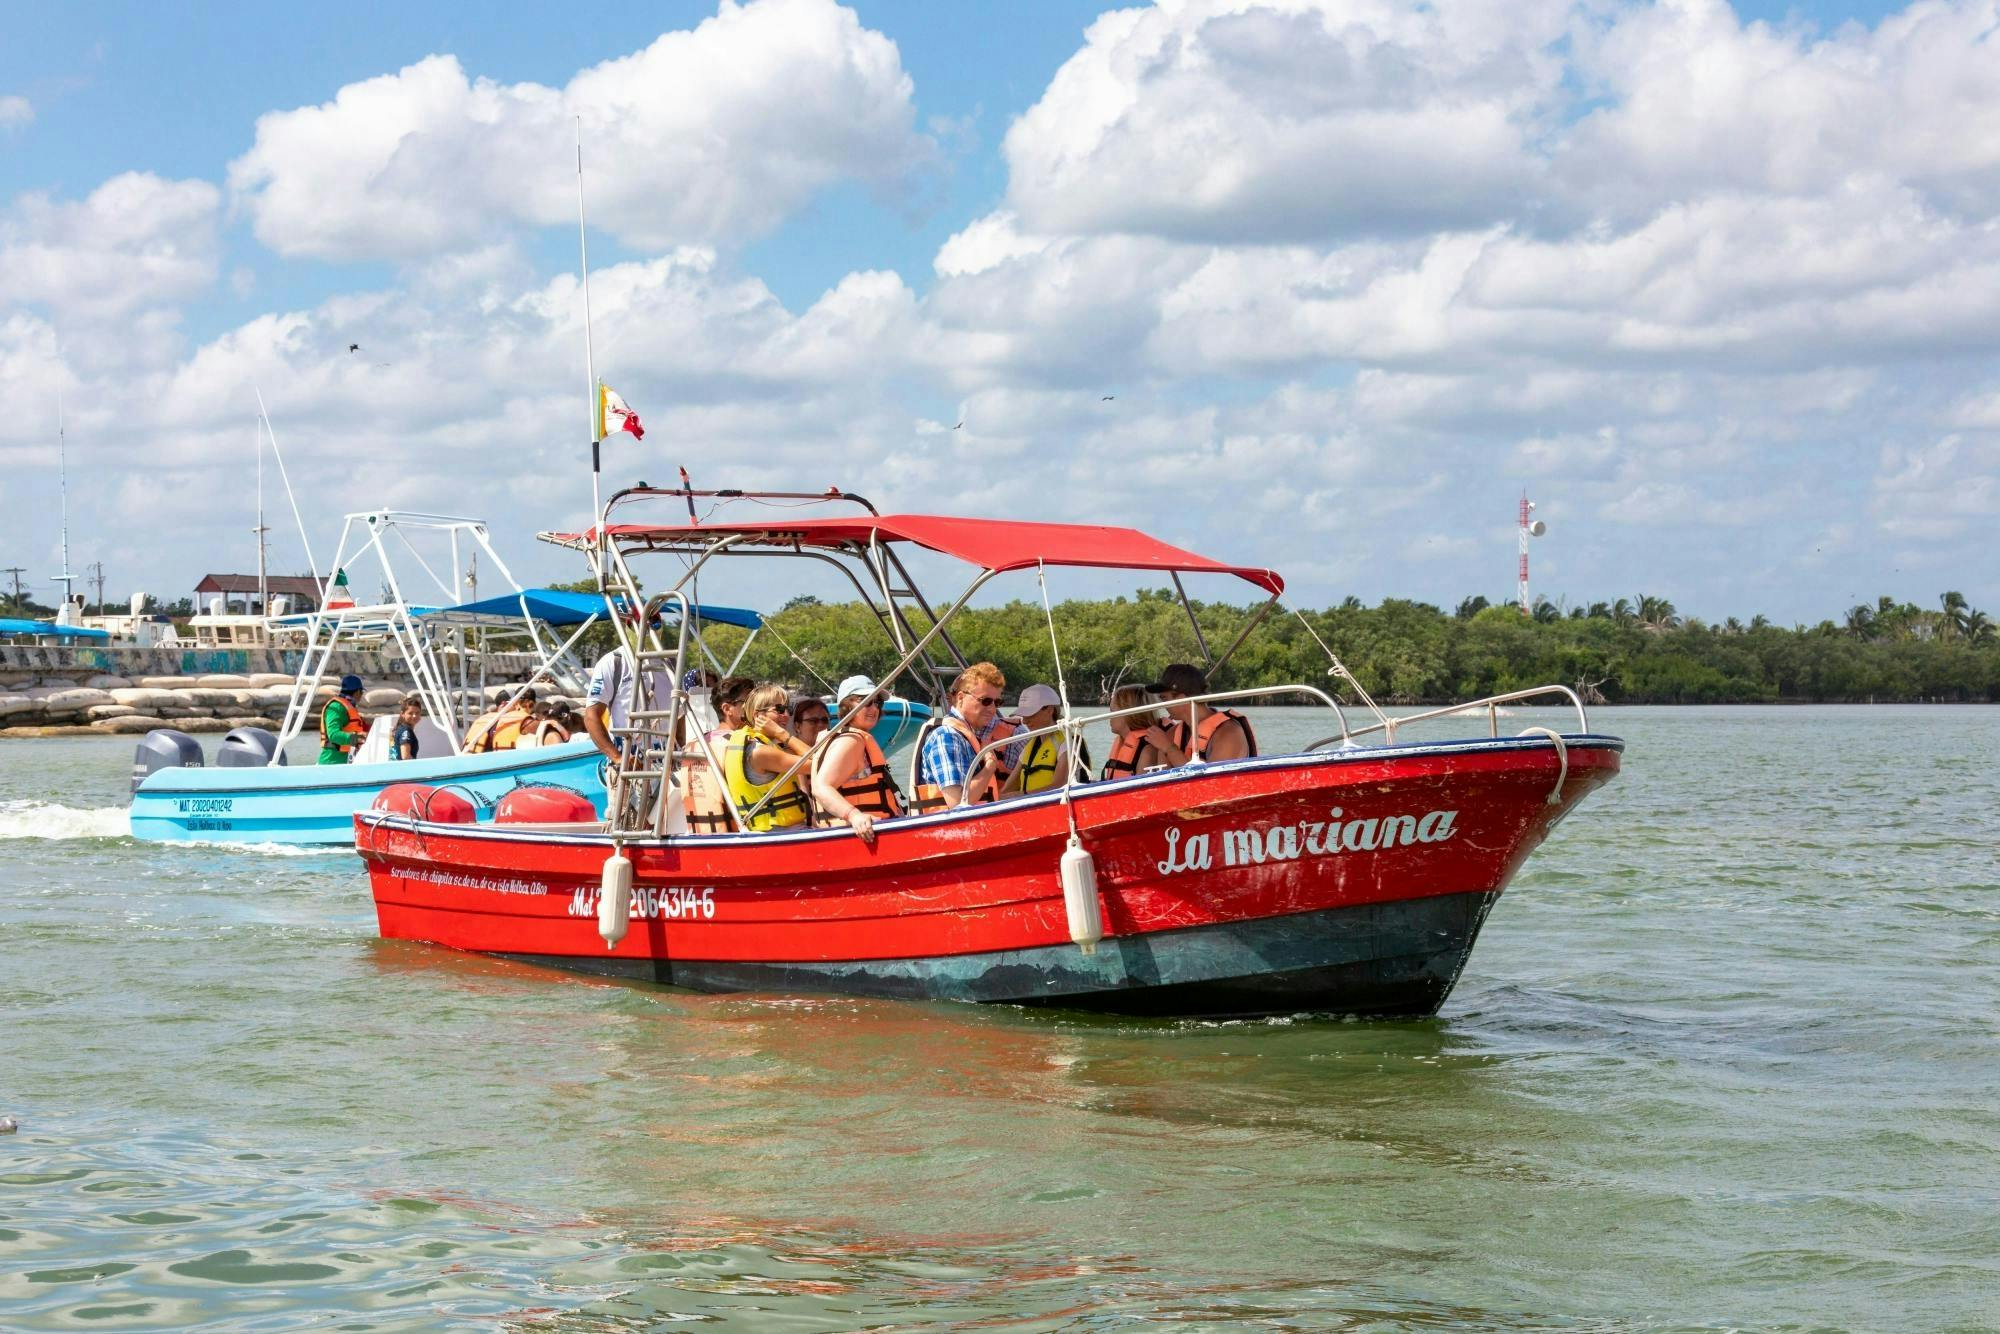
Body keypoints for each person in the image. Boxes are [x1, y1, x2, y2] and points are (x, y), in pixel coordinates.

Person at [811, 675, 903, 844]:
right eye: (866, 701)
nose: (874, 708)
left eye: (877, 702)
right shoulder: (851, 741)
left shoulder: (853, 737)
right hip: (861, 837)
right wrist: (854, 815)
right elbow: (821, 788)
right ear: (847, 706)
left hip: (878, 830)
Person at [914, 662, 1015, 811]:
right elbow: (958, 803)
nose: (992, 709)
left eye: (997, 702)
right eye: (986, 701)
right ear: (961, 698)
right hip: (951, 825)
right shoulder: (947, 736)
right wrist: (990, 766)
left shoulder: (965, 736)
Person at [721, 683, 813, 831]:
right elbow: (819, 763)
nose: (786, 715)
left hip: (785, 831)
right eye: (779, 709)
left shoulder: (764, 745)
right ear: (758, 716)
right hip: (779, 833)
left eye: (788, 709)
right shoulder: (760, 752)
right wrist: (782, 734)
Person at [582, 648, 675, 762]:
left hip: (668, 761)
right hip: (630, 762)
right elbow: (591, 717)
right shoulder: (612, 662)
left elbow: (679, 713)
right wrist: (618, 758)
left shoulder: (668, 663)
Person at [1152, 662, 1257, 764]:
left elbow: (1216, 775)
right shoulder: (1171, 735)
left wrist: (1169, 748)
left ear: (1182, 698)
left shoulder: (1229, 732)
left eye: (1164, 698)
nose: (1163, 705)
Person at [1002, 683, 1074, 795]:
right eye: (1023, 715)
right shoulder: (1030, 746)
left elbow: (1060, 787)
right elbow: (1007, 790)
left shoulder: (1068, 742)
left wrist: (1021, 796)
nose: (1024, 721)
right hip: (1029, 804)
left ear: (1049, 710)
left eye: (1030, 714)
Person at [1101, 683, 1179, 779]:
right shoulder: (1123, 741)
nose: (1109, 717)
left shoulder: (1149, 750)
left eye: (1112, 711)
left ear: (1129, 714)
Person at [466, 687, 536, 753]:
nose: (516, 707)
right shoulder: (522, 721)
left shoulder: (483, 719)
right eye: (514, 704)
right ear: (504, 704)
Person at [318, 675, 368, 765]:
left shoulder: (349, 707)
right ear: (357, 692)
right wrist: (356, 738)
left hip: (346, 760)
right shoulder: (336, 707)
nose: (361, 695)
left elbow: (359, 727)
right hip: (332, 762)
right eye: (361, 692)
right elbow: (333, 734)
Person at [391, 695, 424, 761]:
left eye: (417, 713)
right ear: (402, 714)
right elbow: (406, 757)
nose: (414, 716)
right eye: (410, 713)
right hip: (404, 767)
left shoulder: (401, 729)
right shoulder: (405, 731)